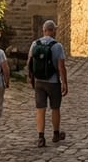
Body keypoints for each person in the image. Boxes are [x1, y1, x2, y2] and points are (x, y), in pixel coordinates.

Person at [27, 19, 68, 148]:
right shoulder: (57, 46)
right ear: (53, 31)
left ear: (44, 30)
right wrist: (64, 83)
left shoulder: (35, 44)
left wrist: (30, 77)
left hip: (39, 81)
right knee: (55, 108)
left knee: (40, 109)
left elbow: (30, 62)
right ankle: (56, 134)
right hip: (53, 81)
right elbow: (61, 66)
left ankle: (41, 137)